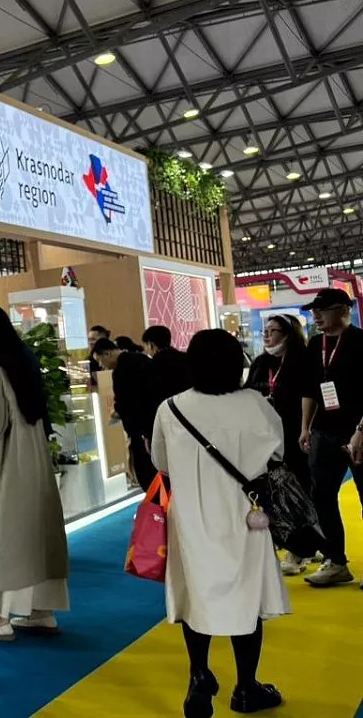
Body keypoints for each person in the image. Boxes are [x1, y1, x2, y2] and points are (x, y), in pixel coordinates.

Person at [150, 328, 288, 717]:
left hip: (191, 517)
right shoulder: (256, 404)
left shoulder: (171, 409)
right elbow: (278, 452)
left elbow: (161, 463)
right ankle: (246, 688)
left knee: (196, 595)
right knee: (248, 598)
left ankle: (199, 674)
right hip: (246, 516)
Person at [0, 305, 69, 639]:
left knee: (0, 540)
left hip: (4, 466)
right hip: (33, 463)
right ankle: (41, 610)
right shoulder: (22, 363)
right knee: (35, 538)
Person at [298, 288, 363, 587]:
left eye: (322, 309)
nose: (316, 315)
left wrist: (360, 431)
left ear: (344, 310)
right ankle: (336, 561)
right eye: (314, 311)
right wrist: (305, 427)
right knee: (321, 497)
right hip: (324, 431)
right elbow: (309, 389)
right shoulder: (315, 345)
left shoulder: (360, 341)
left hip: (358, 431)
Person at [245, 315, 310, 576]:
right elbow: (248, 391)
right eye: (266, 330)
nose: (267, 335)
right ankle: (292, 545)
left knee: (301, 491)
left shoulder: (301, 360)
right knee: (276, 494)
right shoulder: (261, 362)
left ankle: (302, 549)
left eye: (273, 331)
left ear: (288, 334)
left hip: (296, 435)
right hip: (267, 437)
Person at [93, 337, 158, 489]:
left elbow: (125, 402)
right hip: (154, 422)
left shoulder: (121, 370)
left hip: (140, 428)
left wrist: (116, 413)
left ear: (107, 353)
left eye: (100, 360)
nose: (101, 365)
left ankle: (154, 501)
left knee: (146, 473)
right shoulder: (141, 358)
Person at [142, 325, 192, 406]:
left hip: (166, 408)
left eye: (145, 344)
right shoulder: (186, 358)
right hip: (188, 405)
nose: (144, 349)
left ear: (151, 344)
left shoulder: (151, 365)